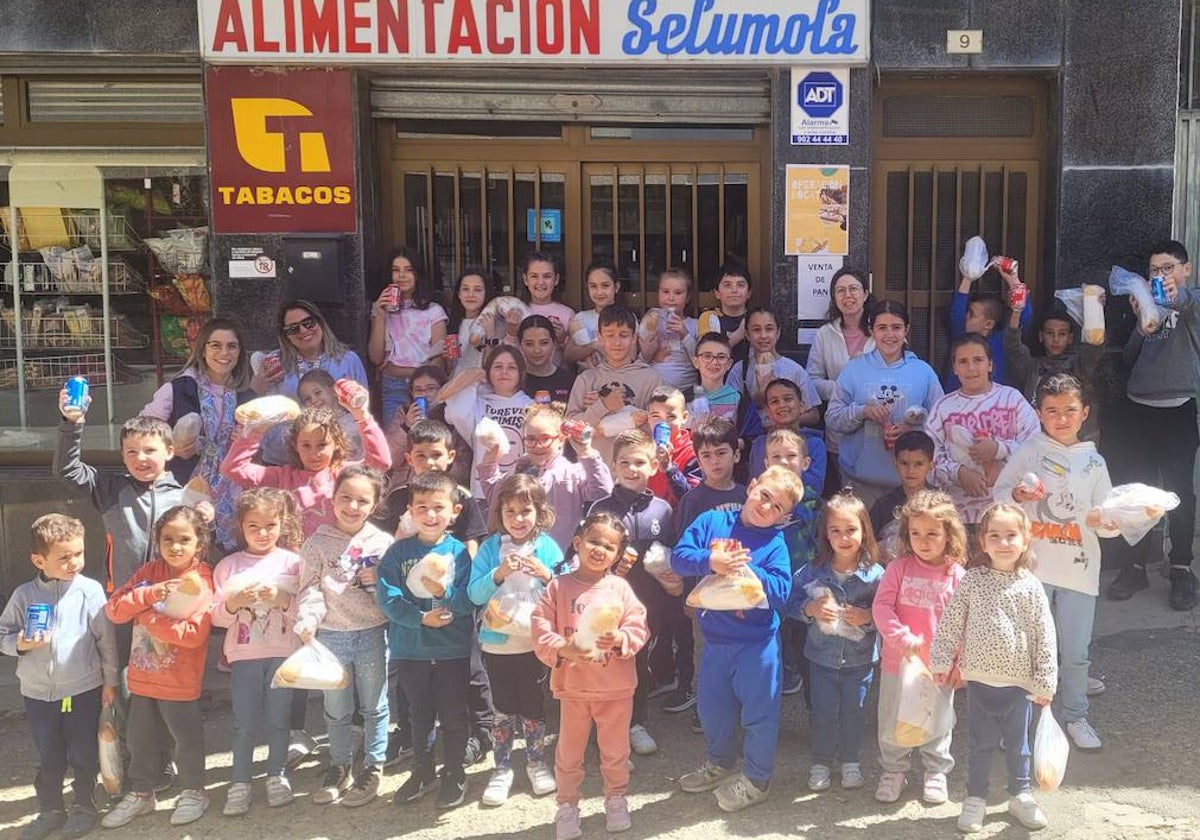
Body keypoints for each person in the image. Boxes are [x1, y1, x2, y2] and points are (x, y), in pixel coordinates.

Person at [672, 466, 803, 812]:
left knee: (759, 715)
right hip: (714, 641)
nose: (765, 507)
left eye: (777, 507)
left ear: (785, 516)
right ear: (753, 485)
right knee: (712, 711)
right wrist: (710, 560)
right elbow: (679, 558)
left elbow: (782, 592)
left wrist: (749, 571)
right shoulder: (711, 523)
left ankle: (758, 779)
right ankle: (720, 763)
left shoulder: (775, 544)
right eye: (764, 495)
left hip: (758, 645)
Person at [995, 372, 1114, 750]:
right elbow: (999, 494)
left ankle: (1075, 715)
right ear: (1039, 413)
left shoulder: (1094, 463)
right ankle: (1020, 719)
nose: (1061, 418)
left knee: (1076, 652)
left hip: (1079, 572)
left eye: (1070, 410)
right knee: (1027, 648)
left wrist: (1103, 521)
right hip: (1032, 570)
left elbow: (1110, 520)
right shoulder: (1029, 451)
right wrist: (1016, 493)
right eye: (1052, 410)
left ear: (1084, 414)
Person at [371, 418, 492, 767]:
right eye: (421, 456)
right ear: (409, 458)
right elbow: (386, 549)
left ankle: (477, 731)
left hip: (455, 602)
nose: (429, 462)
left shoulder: (461, 500)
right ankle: (410, 733)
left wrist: (462, 590)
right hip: (412, 607)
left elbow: (470, 545)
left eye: (436, 455)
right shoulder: (398, 499)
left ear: (450, 457)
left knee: (469, 669)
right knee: (410, 675)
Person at [930, 503, 1058, 834]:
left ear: (1025, 539)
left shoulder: (1030, 586)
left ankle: (1021, 795)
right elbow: (951, 622)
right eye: (995, 536)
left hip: (1019, 685)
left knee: (1019, 746)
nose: (1003, 543)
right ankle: (975, 798)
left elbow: (1045, 634)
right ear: (982, 542)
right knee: (980, 744)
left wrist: (1045, 680)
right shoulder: (972, 581)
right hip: (979, 681)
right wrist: (942, 661)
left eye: (1011, 535)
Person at [531, 513, 649, 840]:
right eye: (594, 541)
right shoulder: (558, 586)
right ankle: (567, 806)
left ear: (618, 554)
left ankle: (616, 798)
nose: (600, 550)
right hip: (574, 688)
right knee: (569, 752)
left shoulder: (620, 588)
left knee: (616, 751)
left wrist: (622, 639)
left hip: (616, 688)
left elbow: (638, 625)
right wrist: (562, 648)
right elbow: (540, 626)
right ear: (578, 542)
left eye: (609, 546)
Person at [0, 515, 117, 840]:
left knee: (83, 751)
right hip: (38, 694)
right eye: (63, 557)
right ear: (39, 560)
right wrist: (20, 644)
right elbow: (2, 634)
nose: (73, 563)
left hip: (82, 689)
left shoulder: (89, 591)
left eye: (78, 553)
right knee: (48, 753)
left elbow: (105, 640)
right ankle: (51, 809)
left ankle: (84, 805)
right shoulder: (24, 595)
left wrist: (110, 682)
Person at [103, 506, 214, 829]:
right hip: (142, 678)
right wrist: (149, 595)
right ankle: (142, 793)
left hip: (179, 681)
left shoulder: (200, 580)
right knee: (139, 741)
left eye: (184, 539)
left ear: (199, 543)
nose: (175, 547)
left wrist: (148, 616)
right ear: (157, 540)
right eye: (167, 539)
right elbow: (114, 611)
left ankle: (194, 791)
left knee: (186, 739)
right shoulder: (149, 573)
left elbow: (193, 635)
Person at [1105, 240, 1200, 611]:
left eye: (1167, 268)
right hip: (1138, 409)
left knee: (1179, 490)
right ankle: (1135, 565)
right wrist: (1141, 328)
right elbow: (1128, 358)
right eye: (1154, 271)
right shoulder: (1143, 301)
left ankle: (1180, 567)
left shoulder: (1191, 301)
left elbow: (1187, 303)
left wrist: (1173, 297)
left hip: (1178, 410)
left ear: (1185, 269)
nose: (1160, 276)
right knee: (1137, 492)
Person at [293, 466, 394, 808]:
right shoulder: (316, 544)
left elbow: (393, 594)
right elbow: (309, 589)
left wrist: (376, 583)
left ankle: (373, 766)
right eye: (345, 498)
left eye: (362, 500)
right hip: (332, 636)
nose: (352, 506)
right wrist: (308, 619)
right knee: (336, 708)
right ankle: (339, 764)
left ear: (375, 504)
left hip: (372, 633)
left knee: (374, 705)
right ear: (332, 499)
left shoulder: (383, 543)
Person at [377, 471, 476, 810]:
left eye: (439, 507)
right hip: (412, 649)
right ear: (410, 511)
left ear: (455, 511)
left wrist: (444, 594)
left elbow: (468, 599)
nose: (431, 515)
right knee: (418, 713)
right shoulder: (397, 553)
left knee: (452, 712)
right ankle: (422, 770)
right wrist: (420, 618)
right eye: (422, 507)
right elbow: (388, 599)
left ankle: (454, 771)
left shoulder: (460, 554)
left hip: (452, 649)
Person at [468, 474, 564, 806]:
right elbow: (473, 594)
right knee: (503, 709)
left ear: (539, 512)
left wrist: (547, 574)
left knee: (533, 708)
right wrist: (498, 573)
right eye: (510, 512)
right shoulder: (490, 547)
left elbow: (564, 591)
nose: (518, 519)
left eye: (526, 511)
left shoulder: (548, 547)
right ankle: (503, 768)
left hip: (535, 643)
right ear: (500, 514)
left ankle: (536, 762)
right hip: (497, 644)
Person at [210, 488, 304, 816]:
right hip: (244, 655)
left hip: (283, 653)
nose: (262, 533)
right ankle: (240, 781)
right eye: (254, 526)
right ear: (241, 526)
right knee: (244, 721)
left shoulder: (294, 563)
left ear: (283, 523)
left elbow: (305, 611)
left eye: (270, 525)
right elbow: (216, 616)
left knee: (279, 720)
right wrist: (235, 603)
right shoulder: (228, 566)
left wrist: (281, 599)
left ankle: (276, 775)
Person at [871, 490, 966, 804]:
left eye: (932, 534)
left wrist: (959, 662)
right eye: (915, 534)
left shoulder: (957, 576)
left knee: (937, 718)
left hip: (937, 667)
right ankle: (894, 770)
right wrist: (900, 638)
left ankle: (935, 770)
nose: (923, 541)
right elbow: (882, 608)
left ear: (948, 534)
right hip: (898, 663)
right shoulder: (898, 569)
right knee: (893, 717)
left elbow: (965, 624)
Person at [588, 430, 677, 756]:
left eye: (639, 462)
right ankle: (604, 724)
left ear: (653, 466)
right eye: (624, 462)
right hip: (604, 606)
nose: (631, 468)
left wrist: (670, 578)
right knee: (604, 662)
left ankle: (636, 722)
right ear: (613, 466)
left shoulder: (663, 510)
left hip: (645, 604)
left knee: (637, 662)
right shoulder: (600, 508)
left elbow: (669, 554)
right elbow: (584, 557)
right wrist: (610, 570)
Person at [788, 491, 883, 794]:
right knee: (823, 711)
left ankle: (851, 761)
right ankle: (821, 762)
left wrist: (869, 616)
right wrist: (808, 609)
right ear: (825, 534)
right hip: (821, 658)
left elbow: (889, 613)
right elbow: (789, 600)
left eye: (851, 530)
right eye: (835, 530)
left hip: (860, 659)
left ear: (864, 531)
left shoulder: (876, 576)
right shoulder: (812, 571)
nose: (843, 537)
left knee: (854, 711)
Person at [140, 317, 255, 552]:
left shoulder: (247, 395)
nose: (224, 352)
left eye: (231, 346)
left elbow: (260, 446)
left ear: (240, 352)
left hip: (232, 486)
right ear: (202, 349)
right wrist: (170, 447)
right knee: (187, 545)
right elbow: (141, 431)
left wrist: (247, 441)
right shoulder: (180, 388)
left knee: (231, 552)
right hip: (188, 481)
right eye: (215, 345)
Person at [826, 300, 945, 510]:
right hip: (861, 482)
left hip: (911, 484)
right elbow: (833, 418)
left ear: (906, 330)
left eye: (897, 327)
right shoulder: (854, 370)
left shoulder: (923, 372)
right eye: (882, 328)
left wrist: (913, 429)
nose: (890, 335)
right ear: (871, 331)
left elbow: (942, 422)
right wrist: (863, 412)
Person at [221, 394, 392, 539]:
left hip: (341, 560)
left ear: (337, 444)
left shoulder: (345, 474)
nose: (314, 453)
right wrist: (256, 431)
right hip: (296, 562)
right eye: (306, 445)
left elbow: (380, 463)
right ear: (295, 445)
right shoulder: (281, 478)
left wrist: (362, 417)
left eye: (322, 445)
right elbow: (233, 468)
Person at [925, 335, 1039, 527]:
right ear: (954, 368)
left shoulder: (1012, 399)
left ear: (990, 365)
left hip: (1008, 515)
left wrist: (999, 450)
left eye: (978, 360)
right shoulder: (943, 408)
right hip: (956, 518)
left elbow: (1036, 447)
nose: (971, 368)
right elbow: (927, 458)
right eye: (963, 361)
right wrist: (959, 472)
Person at [478, 402, 612, 554]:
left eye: (545, 438)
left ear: (561, 438)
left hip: (557, 560)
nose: (538, 445)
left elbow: (602, 491)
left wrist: (586, 452)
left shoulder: (572, 473)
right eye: (530, 439)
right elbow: (494, 496)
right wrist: (490, 460)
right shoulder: (517, 473)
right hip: (515, 559)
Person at [566, 306, 663, 464]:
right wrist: (601, 406)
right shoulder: (587, 379)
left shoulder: (650, 378)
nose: (617, 342)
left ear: (633, 338)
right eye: (610, 335)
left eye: (623, 335)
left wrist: (625, 412)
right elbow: (570, 429)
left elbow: (659, 427)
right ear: (600, 337)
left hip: (635, 471)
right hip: (595, 469)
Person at [806, 268, 875, 492]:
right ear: (834, 298)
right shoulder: (825, 334)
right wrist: (842, 388)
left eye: (854, 289)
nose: (848, 295)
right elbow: (812, 381)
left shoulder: (882, 330)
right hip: (840, 433)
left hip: (878, 430)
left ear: (865, 293)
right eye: (840, 291)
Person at [440, 344, 535, 498]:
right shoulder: (476, 405)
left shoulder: (532, 406)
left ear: (521, 374)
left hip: (521, 491)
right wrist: (476, 376)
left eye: (511, 367)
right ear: (488, 372)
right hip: (483, 492)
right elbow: (455, 410)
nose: (504, 372)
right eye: (497, 367)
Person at [369, 247, 449, 425]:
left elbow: (438, 360)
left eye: (408, 270)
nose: (402, 276)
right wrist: (380, 316)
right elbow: (375, 357)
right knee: (396, 440)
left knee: (426, 439)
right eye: (396, 270)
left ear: (418, 274)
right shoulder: (381, 308)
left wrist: (410, 374)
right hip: (393, 386)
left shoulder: (433, 311)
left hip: (425, 387)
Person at [1004, 302, 1102, 429]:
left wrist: (1095, 307)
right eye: (1050, 333)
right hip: (1037, 437)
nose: (1055, 339)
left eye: (1062, 334)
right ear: (1041, 336)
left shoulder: (1079, 365)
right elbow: (1012, 345)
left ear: (1070, 338)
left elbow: (1095, 346)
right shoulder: (1032, 366)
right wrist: (1017, 310)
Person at [252, 300, 368, 400]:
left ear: (320, 323)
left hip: (341, 425)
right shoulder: (275, 363)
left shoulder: (348, 360)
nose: (303, 330)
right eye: (293, 328)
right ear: (285, 335)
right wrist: (255, 390)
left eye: (308, 322)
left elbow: (362, 406)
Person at [727, 308, 820, 429]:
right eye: (756, 330)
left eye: (769, 329)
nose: (763, 335)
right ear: (747, 335)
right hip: (750, 441)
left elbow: (814, 414)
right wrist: (759, 394)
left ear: (778, 333)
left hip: (788, 441)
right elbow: (729, 412)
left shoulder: (794, 369)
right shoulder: (739, 370)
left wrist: (786, 421)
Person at [947, 259, 1031, 388]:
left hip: (997, 406)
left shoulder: (1005, 341)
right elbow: (956, 313)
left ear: (989, 324)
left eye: (971, 313)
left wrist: (1013, 279)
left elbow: (1025, 315)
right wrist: (968, 277)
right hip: (959, 405)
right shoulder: (962, 338)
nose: (964, 317)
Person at [262, 369, 365, 467]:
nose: (314, 400)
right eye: (307, 399)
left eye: (317, 393)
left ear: (333, 391)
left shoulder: (353, 420)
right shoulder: (306, 427)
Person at [869, 430, 937, 563]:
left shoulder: (940, 504)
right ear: (895, 463)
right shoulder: (883, 505)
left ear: (931, 465)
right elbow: (868, 546)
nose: (911, 471)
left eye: (918, 464)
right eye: (904, 463)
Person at [747, 379, 827, 493]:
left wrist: (785, 470)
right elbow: (755, 483)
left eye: (788, 399)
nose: (782, 405)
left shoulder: (815, 444)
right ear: (767, 411)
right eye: (774, 401)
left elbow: (815, 488)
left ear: (801, 406)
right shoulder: (760, 444)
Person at [638, 267, 699, 389]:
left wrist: (684, 334)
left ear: (688, 297)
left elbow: (700, 362)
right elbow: (638, 362)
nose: (671, 298)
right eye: (665, 292)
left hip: (686, 389)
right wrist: (648, 351)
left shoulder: (695, 324)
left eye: (678, 293)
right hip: (653, 390)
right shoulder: (650, 322)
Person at [644, 386, 701, 509]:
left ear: (684, 417)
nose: (663, 423)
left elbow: (692, 499)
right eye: (656, 416)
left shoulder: (694, 452)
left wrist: (669, 469)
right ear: (648, 418)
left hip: (677, 523)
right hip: (647, 520)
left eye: (671, 417)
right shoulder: (642, 449)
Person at [565, 260, 622, 370]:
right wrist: (593, 346)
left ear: (616, 287)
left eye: (605, 286)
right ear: (587, 287)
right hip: (588, 381)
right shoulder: (580, 319)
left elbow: (632, 354)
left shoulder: (626, 318)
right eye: (593, 286)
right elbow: (568, 355)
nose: (599, 292)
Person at [520, 252, 574, 363]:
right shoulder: (515, 311)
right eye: (534, 276)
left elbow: (573, 357)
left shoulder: (567, 314)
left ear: (556, 279)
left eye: (547, 276)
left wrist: (563, 338)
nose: (541, 282)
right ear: (525, 279)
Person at [697, 263, 752, 365]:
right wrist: (739, 334)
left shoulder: (754, 318)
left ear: (749, 293)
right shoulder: (709, 317)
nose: (734, 290)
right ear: (717, 293)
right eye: (727, 285)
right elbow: (707, 354)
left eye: (740, 285)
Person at [687, 332, 740, 425]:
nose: (714, 362)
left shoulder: (739, 400)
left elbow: (749, 436)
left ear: (729, 364)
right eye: (707, 356)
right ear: (696, 362)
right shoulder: (685, 399)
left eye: (721, 357)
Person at [520, 315, 575, 403]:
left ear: (553, 343)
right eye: (529, 344)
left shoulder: (570, 381)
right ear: (520, 345)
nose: (537, 350)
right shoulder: (513, 380)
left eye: (544, 343)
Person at [448, 268, 493, 374]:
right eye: (465, 289)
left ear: (486, 293)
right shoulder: (452, 325)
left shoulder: (492, 322)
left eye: (477, 290)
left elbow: (491, 365)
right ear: (459, 294)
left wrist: (490, 336)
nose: (470, 294)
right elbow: (450, 370)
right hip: (457, 386)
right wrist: (447, 358)